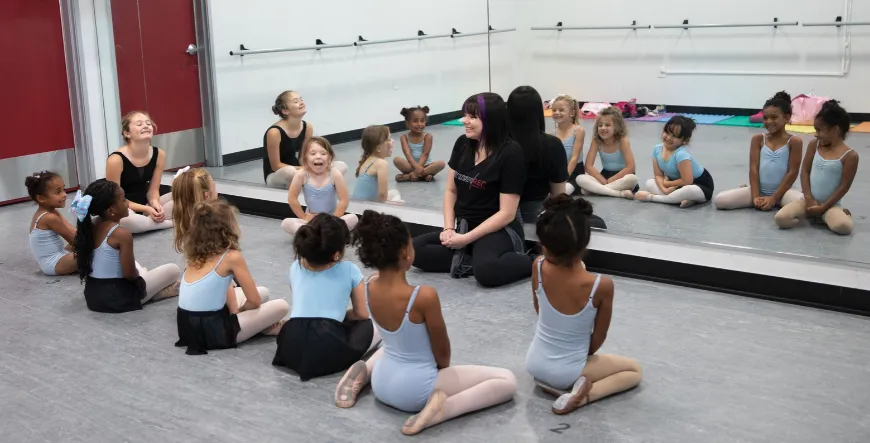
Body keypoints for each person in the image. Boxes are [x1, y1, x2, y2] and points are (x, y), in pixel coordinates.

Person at [333, 210, 517, 435]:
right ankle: (443, 409)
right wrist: (441, 378)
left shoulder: (370, 285)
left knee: (391, 344)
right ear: (405, 253)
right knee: (507, 381)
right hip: (415, 392)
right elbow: (442, 355)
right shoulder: (423, 296)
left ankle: (362, 373)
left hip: (382, 381)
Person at [526, 195, 642, 415]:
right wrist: (574, 356)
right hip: (568, 371)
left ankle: (551, 383)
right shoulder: (601, 285)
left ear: (544, 245)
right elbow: (598, 339)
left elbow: (539, 309)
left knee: (559, 366)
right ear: (584, 243)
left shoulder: (538, 266)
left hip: (535, 363)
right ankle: (582, 396)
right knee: (634, 371)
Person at [412, 93, 532, 287]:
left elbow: (507, 213)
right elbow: (451, 191)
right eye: (465, 115)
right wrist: (449, 228)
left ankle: (535, 262)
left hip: (498, 229)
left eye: (472, 117)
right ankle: (471, 257)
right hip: (465, 226)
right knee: (413, 251)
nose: (464, 121)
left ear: (491, 121)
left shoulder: (511, 153)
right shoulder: (462, 144)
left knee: (487, 273)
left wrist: (466, 239)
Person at [272, 213, 380, 380]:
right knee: (375, 322)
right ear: (337, 253)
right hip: (327, 343)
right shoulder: (350, 269)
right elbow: (361, 314)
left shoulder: (295, 267)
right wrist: (337, 315)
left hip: (290, 341)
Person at [175, 199, 289, 355]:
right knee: (281, 306)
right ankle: (262, 327)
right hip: (213, 331)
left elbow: (225, 286)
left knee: (263, 291)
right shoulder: (231, 256)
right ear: (228, 227)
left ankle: (258, 325)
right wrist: (240, 312)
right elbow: (254, 301)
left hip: (186, 326)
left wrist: (235, 311)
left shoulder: (195, 253)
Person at [72, 179, 181, 313]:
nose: (127, 204)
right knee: (173, 269)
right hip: (118, 298)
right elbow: (129, 275)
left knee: (133, 264)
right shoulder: (121, 234)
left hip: (93, 296)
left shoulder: (90, 225)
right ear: (111, 210)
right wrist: (141, 280)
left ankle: (150, 288)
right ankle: (152, 294)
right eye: (123, 200)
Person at [774, 100, 857, 235]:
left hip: (830, 205)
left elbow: (844, 187)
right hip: (808, 201)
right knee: (781, 219)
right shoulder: (814, 144)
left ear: (835, 130)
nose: (815, 134)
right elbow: (805, 172)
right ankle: (809, 219)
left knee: (843, 227)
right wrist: (808, 197)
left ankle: (844, 214)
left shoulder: (850, 156)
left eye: (819, 130)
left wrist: (824, 207)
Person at [714, 92, 803, 210]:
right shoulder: (758, 139)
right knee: (720, 200)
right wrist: (756, 197)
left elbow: (792, 172)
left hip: (783, 194)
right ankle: (748, 190)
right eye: (765, 118)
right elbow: (754, 169)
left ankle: (776, 200)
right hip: (758, 191)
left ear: (787, 117)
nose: (769, 122)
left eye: (774, 117)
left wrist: (774, 198)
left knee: (805, 203)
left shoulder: (794, 141)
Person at [506, 86, 568, 223]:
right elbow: (558, 194)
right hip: (534, 210)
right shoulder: (552, 144)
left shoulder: (498, 143)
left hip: (498, 209)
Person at [263, 90, 349, 188]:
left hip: (300, 170)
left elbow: (303, 157)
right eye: (295, 101)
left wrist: (315, 166)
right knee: (290, 171)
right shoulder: (274, 132)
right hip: (278, 175)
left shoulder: (307, 127)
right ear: (285, 111)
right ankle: (316, 184)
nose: (301, 102)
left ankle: (319, 187)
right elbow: (275, 165)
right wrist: (305, 169)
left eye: (301, 99)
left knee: (341, 166)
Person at [105, 111, 174, 233]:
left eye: (148, 123)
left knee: (187, 195)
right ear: (127, 133)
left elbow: (153, 190)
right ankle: (170, 223)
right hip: (123, 206)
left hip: (145, 202)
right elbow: (114, 199)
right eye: (139, 124)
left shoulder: (159, 154)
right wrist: (146, 209)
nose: (146, 126)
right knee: (126, 221)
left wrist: (155, 204)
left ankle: (149, 222)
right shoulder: (115, 160)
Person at [281, 137, 358, 235]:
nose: (318, 157)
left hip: (331, 218)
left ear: (330, 157)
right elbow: (292, 198)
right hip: (311, 220)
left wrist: (333, 219)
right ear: (305, 157)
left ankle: (314, 235)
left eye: (323, 153)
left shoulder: (335, 174)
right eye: (313, 154)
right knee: (286, 223)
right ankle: (321, 234)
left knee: (353, 218)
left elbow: (344, 200)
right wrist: (304, 217)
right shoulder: (301, 174)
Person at [634, 116, 715, 207]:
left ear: (684, 141)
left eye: (674, 136)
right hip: (677, 184)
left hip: (699, 186)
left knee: (688, 190)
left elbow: (687, 181)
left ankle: (654, 198)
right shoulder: (657, 149)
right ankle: (678, 199)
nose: (668, 138)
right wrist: (664, 189)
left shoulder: (681, 154)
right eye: (667, 132)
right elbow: (658, 175)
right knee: (649, 183)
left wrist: (666, 184)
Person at [575, 107, 639, 198]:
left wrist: (611, 180)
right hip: (604, 176)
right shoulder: (596, 141)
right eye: (600, 125)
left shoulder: (622, 140)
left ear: (617, 127)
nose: (603, 128)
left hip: (621, 176)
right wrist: (603, 180)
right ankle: (618, 193)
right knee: (580, 178)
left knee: (632, 179)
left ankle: (598, 190)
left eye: (607, 125)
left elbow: (631, 167)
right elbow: (588, 166)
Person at [25, 171, 77, 276]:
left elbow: (71, 231)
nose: (65, 194)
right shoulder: (49, 217)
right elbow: (75, 240)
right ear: (41, 198)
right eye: (58, 192)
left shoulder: (52, 212)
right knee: (91, 250)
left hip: (61, 254)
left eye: (64, 189)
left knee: (91, 238)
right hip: (54, 263)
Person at [393, 106, 446, 182]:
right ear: (407, 123)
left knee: (441, 164)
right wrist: (416, 168)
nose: (419, 124)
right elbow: (407, 154)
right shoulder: (404, 137)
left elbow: (425, 154)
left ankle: (410, 176)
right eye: (415, 121)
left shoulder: (428, 136)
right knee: (396, 160)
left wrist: (418, 169)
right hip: (411, 166)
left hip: (426, 166)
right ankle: (424, 175)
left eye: (422, 121)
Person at [352, 125, 403, 203]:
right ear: (379, 148)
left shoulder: (367, 160)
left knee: (394, 193)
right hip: (365, 209)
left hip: (358, 206)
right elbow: (382, 196)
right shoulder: (381, 164)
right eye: (389, 139)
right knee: (400, 202)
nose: (393, 141)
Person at [551, 94, 586, 195]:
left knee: (559, 193)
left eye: (561, 110)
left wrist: (563, 179)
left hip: (573, 173)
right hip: (558, 174)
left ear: (571, 113)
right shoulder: (552, 134)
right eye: (554, 110)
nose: (557, 113)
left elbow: (574, 158)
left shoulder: (578, 130)